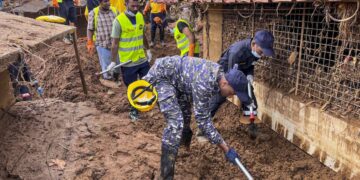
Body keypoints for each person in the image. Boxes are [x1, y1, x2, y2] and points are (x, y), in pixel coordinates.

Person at [143, 55, 251, 179]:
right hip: (162, 77)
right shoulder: (205, 82)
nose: (231, 96)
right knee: (176, 122)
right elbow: (203, 121)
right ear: (225, 83)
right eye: (232, 92)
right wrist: (226, 149)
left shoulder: (219, 75)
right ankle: (165, 174)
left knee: (185, 115)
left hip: (179, 82)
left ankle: (183, 149)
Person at [210, 30, 275, 118]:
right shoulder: (236, 52)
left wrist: (250, 74)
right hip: (226, 73)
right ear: (254, 44)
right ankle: (204, 123)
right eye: (261, 51)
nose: (262, 54)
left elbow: (250, 65)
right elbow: (231, 76)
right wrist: (242, 95)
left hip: (239, 72)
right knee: (219, 97)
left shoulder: (255, 52)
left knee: (250, 98)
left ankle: (251, 123)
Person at [110, 0, 152, 121]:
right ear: (126, 4)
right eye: (132, 5)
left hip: (141, 59)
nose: (135, 7)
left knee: (148, 82)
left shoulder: (140, 16)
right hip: (128, 63)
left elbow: (142, 35)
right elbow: (115, 44)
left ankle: (147, 103)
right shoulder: (118, 21)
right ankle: (134, 110)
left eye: (137, 5)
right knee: (132, 88)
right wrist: (113, 61)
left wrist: (148, 49)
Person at [87, 0, 120, 82]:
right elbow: (90, 29)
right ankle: (108, 81)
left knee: (117, 65)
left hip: (116, 44)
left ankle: (116, 79)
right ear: (100, 2)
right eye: (105, 1)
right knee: (106, 66)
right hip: (102, 44)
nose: (108, 3)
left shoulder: (115, 11)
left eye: (109, 1)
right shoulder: (93, 13)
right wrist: (90, 42)